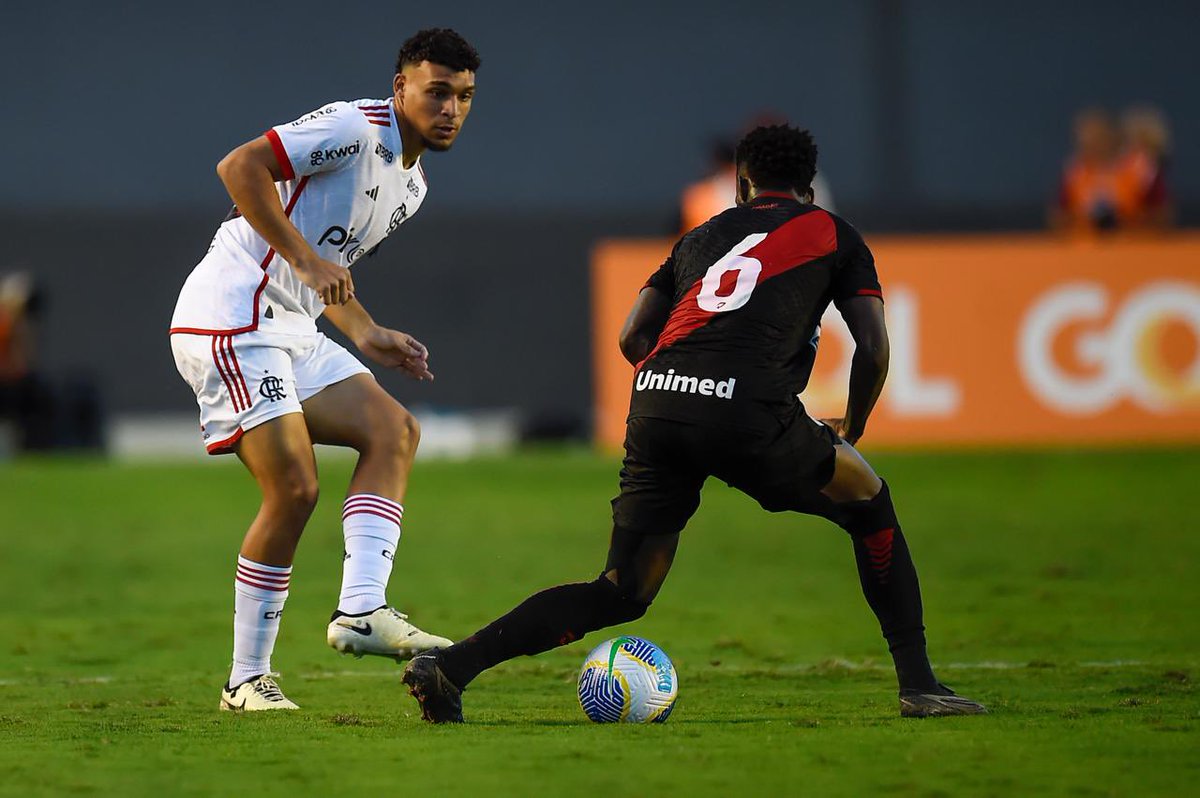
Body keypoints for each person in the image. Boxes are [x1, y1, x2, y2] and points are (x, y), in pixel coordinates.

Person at [402, 125, 986, 722]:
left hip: (656, 402)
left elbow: (632, 334)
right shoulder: (835, 235)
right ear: (808, 187)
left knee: (621, 590)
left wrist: (678, 390)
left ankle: (451, 668)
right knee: (869, 500)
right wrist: (852, 426)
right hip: (751, 413)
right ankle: (919, 684)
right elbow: (875, 348)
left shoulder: (700, 237)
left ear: (740, 182)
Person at [168, 28, 480, 711]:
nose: (450, 108)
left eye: (462, 96)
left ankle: (362, 611)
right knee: (295, 488)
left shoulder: (413, 185)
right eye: (436, 92)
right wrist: (306, 260)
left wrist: (367, 331)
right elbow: (238, 168)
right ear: (401, 89)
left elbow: (328, 272)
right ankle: (245, 680)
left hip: (288, 326)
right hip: (231, 316)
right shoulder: (352, 128)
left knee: (394, 431)